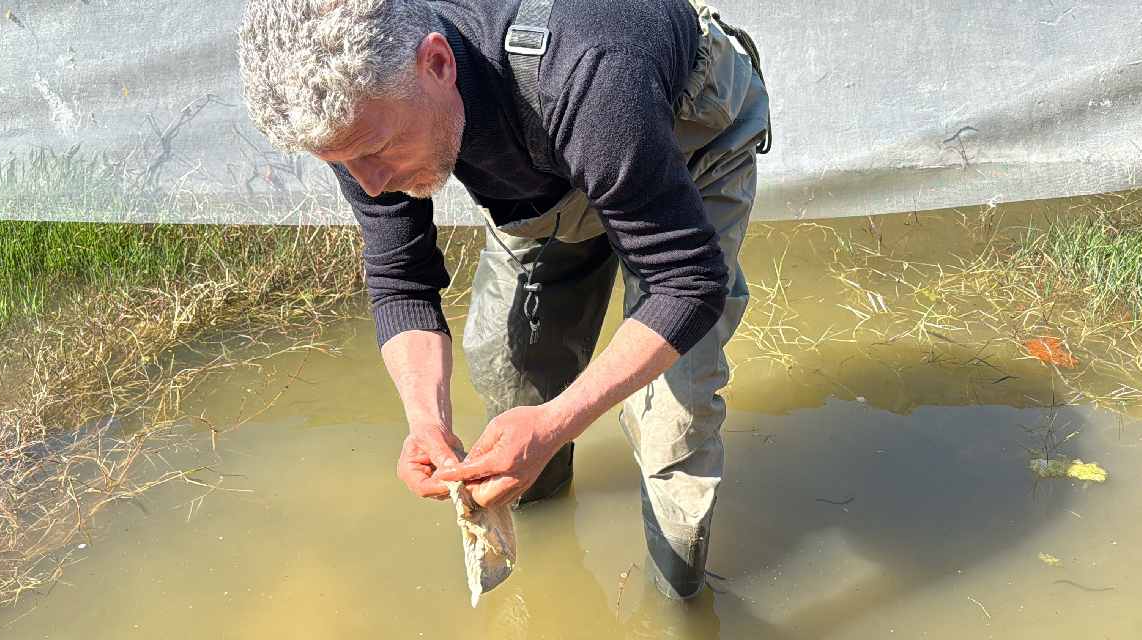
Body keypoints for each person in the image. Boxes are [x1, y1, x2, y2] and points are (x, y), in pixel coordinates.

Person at [238, 0, 769, 600]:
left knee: (671, 420)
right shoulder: (359, 112)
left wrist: (555, 423)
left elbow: (687, 281)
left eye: (377, 152)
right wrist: (426, 420)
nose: (371, 186)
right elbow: (401, 278)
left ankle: (679, 603)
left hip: (679, 131)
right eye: (343, 164)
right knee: (507, 371)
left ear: (436, 63)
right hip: (544, 164)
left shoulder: (591, 67)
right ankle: (541, 545)